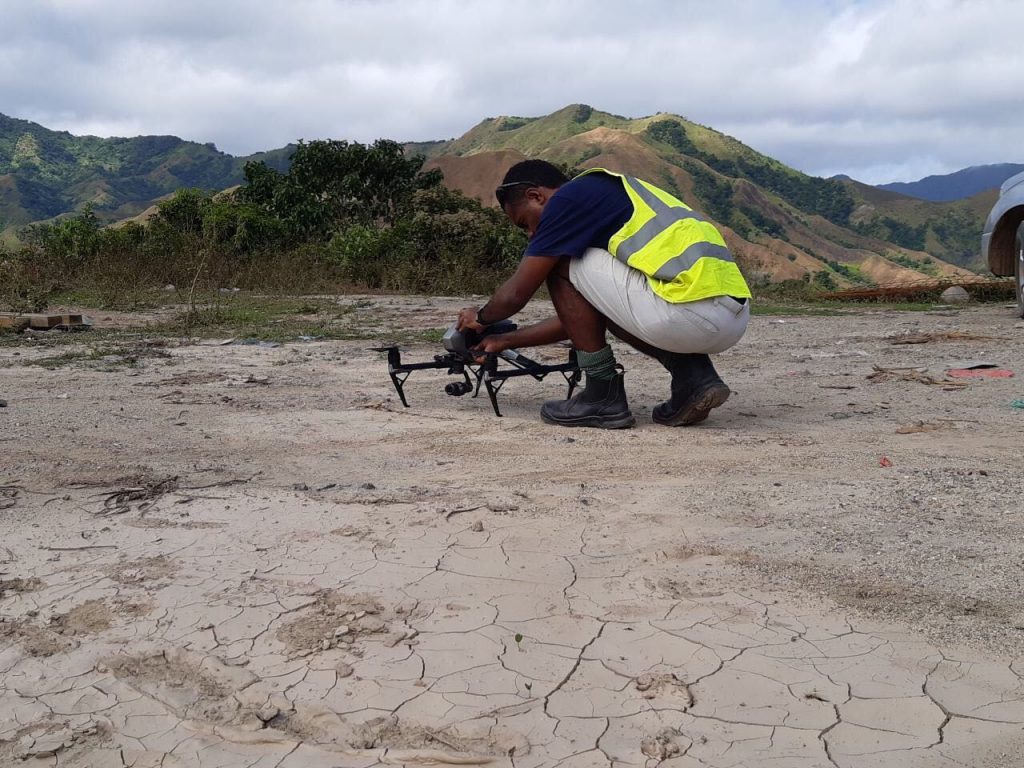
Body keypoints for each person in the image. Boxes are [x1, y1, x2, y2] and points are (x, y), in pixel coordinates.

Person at [456, 159, 751, 429]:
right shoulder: (611, 193)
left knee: (560, 262)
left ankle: (602, 394)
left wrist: (479, 318)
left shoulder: (567, 201)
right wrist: (503, 340)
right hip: (730, 318)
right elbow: (590, 318)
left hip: (687, 314)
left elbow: (515, 295)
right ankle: (695, 378)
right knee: (584, 275)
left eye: (524, 223)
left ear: (536, 196)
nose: (531, 234)